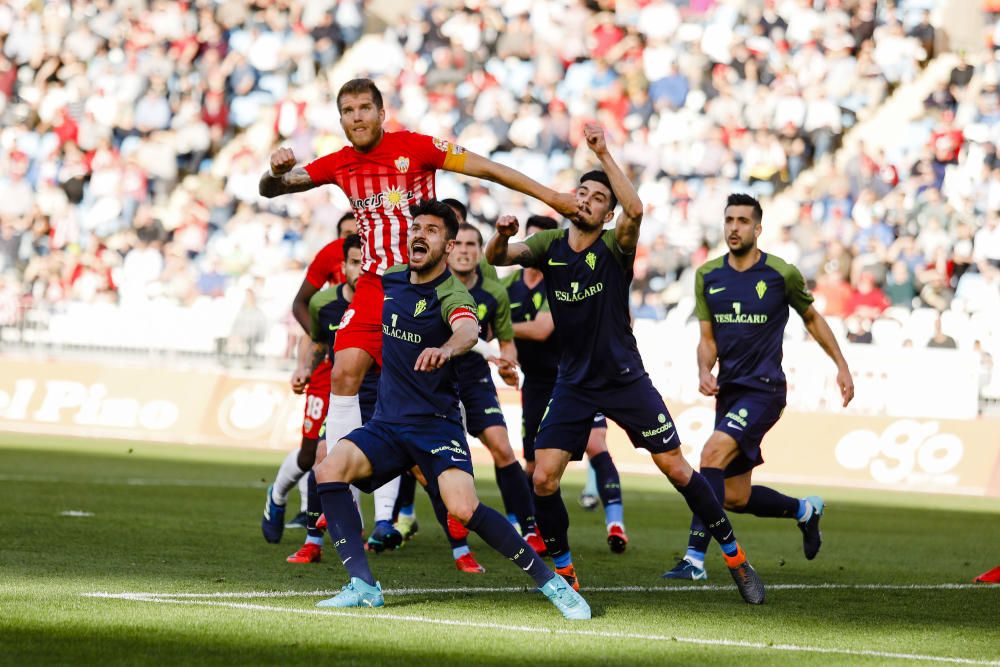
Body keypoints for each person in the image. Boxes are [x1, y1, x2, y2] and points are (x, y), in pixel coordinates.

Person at [260, 79, 579, 553]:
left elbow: (487, 168)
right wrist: (274, 169)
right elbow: (271, 190)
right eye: (347, 111)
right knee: (346, 370)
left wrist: (552, 198)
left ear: (382, 112)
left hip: (425, 288)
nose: (357, 117)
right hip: (375, 285)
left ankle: (458, 510)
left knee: (432, 408)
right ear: (341, 119)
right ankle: (341, 483)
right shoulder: (338, 163)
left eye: (365, 108)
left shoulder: (416, 148)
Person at [485, 124, 765, 604]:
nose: (588, 200)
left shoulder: (615, 246)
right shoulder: (550, 243)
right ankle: (566, 575)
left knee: (677, 470)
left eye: (598, 197)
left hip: (625, 380)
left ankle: (736, 558)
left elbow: (635, 209)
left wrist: (604, 152)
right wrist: (500, 234)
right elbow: (498, 258)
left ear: (608, 212)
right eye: (583, 193)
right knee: (543, 477)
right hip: (573, 383)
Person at [311, 200, 590, 620]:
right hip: (388, 424)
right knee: (328, 471)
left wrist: (445, 348)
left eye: (432, 230)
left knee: (463, 508)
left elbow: (466, 328)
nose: (420, 235)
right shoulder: (390, 280)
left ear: (448, 245)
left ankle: (551, 583)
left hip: (437, 427)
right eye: (416, 228)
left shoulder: (452, 293)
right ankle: (363, 585)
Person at [663, 193, 854, 581]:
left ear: (758, 228)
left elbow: (813, 319)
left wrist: (841, 364)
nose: (734, 227)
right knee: (734, 496)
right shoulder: (708, 276)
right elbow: (707, 339)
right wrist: (703, 368)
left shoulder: (781, 274)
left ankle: (694, 561)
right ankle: (805, 510)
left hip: (765, 389)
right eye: (729, 219)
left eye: (743, 221)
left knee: (711, 454)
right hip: (730, 391)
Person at [503, 215, 629, 553]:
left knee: (596, 444)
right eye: (528, 243)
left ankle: (615, 521)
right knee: (534, 462)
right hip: (534, 383)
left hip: (572, 378)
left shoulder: (557, 280)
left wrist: (504, 327)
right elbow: (491, 326)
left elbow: (542, 329)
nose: (532, 251)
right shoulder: (507, 286)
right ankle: (535, 530)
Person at [282, 235, 380, 563]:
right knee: (322, 455)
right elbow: (315, 341)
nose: (359, 269)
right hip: (348, 395)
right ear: (344, 266)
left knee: (423, 471)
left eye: (364, 262)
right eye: (354, 262)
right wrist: (304, 368)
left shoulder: (389, 296)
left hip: (387, 395)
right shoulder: (325, 303)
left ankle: (458, 546)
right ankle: (313, 540)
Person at [262, 213, 359, 542]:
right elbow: (314, 331)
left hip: (361, 376)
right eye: (345, 234)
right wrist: (304, 366)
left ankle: (350, 526)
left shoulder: (378, 278)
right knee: (309, 452)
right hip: (325, 372)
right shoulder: (326, 298)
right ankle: (277, 494)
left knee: (346, 446)